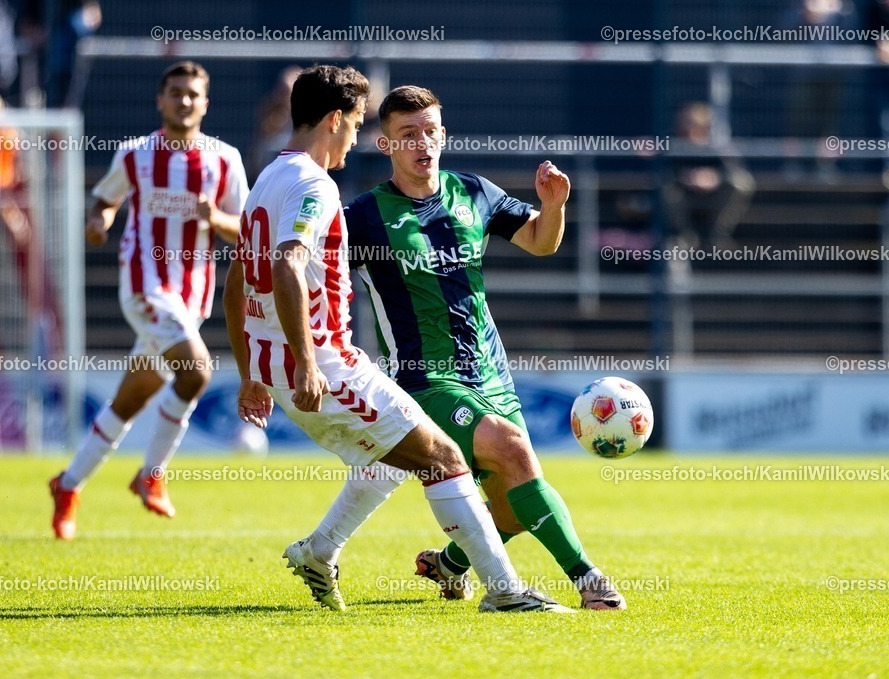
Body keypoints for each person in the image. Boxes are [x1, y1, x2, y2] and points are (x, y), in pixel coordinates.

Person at [222, 66, 569, 614]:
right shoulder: (314, 184)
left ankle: (319, 551)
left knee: (393, 458)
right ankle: (505, 592)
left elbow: (237, 283)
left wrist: (250, 372)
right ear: (334, 120)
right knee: (443, 458)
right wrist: (308, 364)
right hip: (325, 365)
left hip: (286, 367)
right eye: (356, 123)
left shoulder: (267, 178)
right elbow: (287, 265)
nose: (356, 137)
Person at [49, 61, 249, 540]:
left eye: (192, 94)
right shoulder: (136, 155)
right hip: (145, 285)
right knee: (197, 370)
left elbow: (244, 229)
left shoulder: (225, 159)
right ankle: (152, 473)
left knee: (132, 396)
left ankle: (68, 482)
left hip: (192, 299)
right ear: (160, 101)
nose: (183, 101)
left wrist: (214, 218)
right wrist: (100, 221)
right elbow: (104, 200)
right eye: (175, 92)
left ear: (205, 103)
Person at [663, 102, 755, 253]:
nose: (688, 130)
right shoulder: (671, 145)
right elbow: (664, 173)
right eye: (685, 125)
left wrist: (714, 178)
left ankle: (716, 236)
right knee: (666, 190)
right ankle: (686, 237)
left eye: (694, 125)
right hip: (684, 197)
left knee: (741, 182)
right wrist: (684, 178)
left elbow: (735, 171)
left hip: (714, 198)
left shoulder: (719, 147)